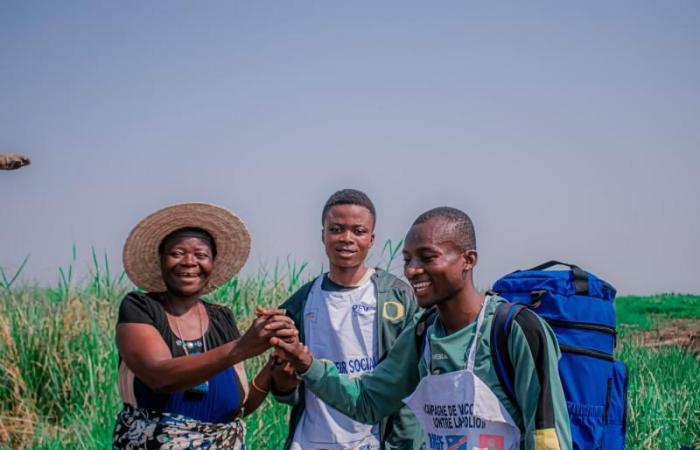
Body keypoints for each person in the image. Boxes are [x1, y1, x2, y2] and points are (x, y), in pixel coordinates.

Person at [273, 207, 573, 450]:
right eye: (407, 259)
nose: (412, 270)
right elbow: (366, 401)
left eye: (428, 258)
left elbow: (547, 437)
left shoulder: (514, 330)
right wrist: (306, 364)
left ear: (468, 260)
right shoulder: (423, 334)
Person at [113, 202, 297, 449]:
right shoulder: (141, 307)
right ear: (161, 259)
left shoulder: (221, 318)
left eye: (201, 255)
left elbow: (236, 408)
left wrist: (272, 367)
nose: (189, 262)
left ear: (212, 264)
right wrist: (242, 347)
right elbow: (159, 376)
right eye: (177, 253)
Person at [269, 189, 423, 450]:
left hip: (373, 441)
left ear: (371, 239)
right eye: (336, 229)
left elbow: (410, 386)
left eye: (358, 231)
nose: (346, 239)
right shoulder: (300, 302)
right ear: (323, 235)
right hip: (310, 442)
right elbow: (287, 391)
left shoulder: (398, 297)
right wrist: (283, 382)